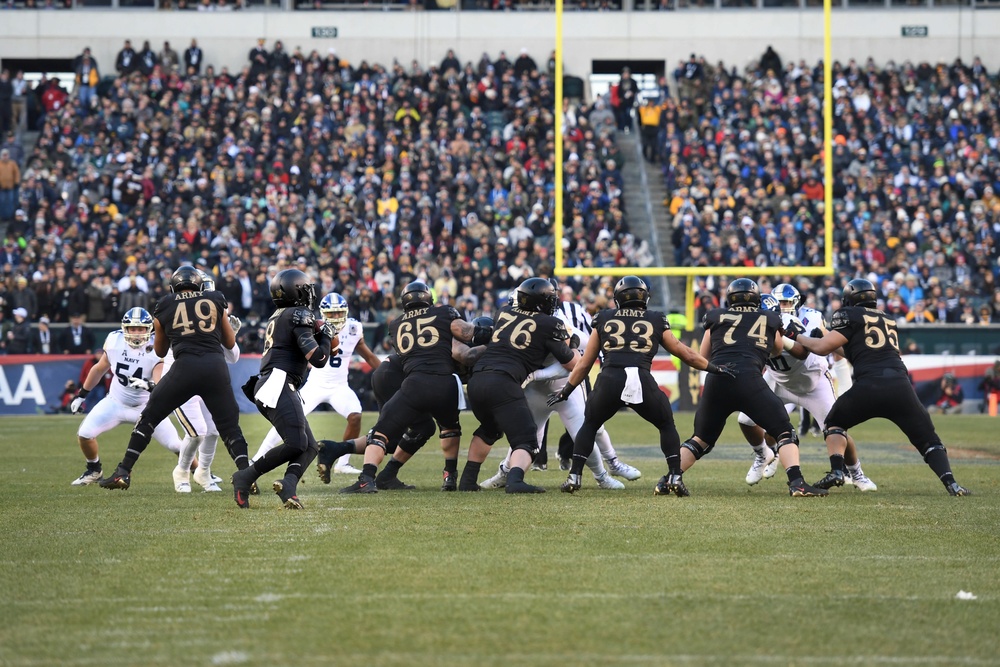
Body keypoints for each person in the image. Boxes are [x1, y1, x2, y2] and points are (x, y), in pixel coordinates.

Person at [551, 276, 732, 495]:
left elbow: (585, 364)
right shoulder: (655, 318)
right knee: (666, 424)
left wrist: (567, 390)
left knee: (590, 424)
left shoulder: (604, 317)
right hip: (642, 379)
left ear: (618, 298)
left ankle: (574, 476)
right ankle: (675, 476)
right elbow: (685, 353)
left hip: (610, 379)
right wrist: (714, 368)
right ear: (645, 297)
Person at [792, 279, 971, 496]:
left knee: (834, 422)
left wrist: (797, 336)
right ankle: (951, 483)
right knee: (928, 439)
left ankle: (837, 471)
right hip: (900, 386)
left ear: (849, 299)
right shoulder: (888, 319)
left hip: (870, 385)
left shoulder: (848, 315)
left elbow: (821, 348)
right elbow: (856, 352)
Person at [318, 281, 484, 494]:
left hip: (409, 380)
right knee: (417, 431)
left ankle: (362, 468)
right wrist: (494, 339)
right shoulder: (446, 317)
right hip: (408, 378)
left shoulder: (396, 324)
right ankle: (448, 475)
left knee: (413, 429)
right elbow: (464, 352)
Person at [99, 266, 251, 493]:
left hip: (184, 372)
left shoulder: (165, 304)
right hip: (207, 370)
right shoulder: (216, 301)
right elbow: (230, 350)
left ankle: (127, 470)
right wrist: (223, 329)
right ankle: (238, 476)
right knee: (218, 429)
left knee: (201, 428)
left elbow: (160, 350)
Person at [677, 278, 828, 497]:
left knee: (701, 439)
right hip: (749, 379)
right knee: (785, 432)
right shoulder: (769, 317)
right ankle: (797, 483)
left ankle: (670, 477)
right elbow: (776, 350)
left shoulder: (715, 317)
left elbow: (703, 356)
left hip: (717, 379)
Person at [739, 287, 876, 492]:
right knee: (746, 420)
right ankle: (765, 454)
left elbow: (828, 343)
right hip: (778, 380)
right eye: (779, 303)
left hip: (813, 382)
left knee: (837, 428)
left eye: (786, 303)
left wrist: (853, 359)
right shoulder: (760, 323)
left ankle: (856, 473)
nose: (783, 307)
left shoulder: (811, 318)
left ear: (796, 303)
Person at [457, 278, 580, 494]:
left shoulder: (503, 312)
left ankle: (467, 480)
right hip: (504, 382)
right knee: (527, 439)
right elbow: (572, 364)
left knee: (489, 429)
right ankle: (515, 481)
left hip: (478, 380)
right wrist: (575, 349)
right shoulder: (549, 324)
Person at [230, 269, 336, 509]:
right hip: (277, 382)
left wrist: (320, 336)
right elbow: (318, 359)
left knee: (309, 447)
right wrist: (327, 338)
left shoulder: (280, 315)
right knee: (297, 443)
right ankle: (245, 476)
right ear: (297, 291)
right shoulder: (298, 313)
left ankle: (288, 484)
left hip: (275, 383)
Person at [252, 292, 382, 475]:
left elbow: (368, 355)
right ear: (323, 313)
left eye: (339, 313)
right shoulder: (313, 326)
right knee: (285, 419)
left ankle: (343, 463)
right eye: (331, 314)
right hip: (315, 385)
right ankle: (257, 458)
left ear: (345, 312)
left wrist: (386, 374)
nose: (336, 317)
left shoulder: (354, 328)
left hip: (339, 386)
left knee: (355, 416)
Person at [68, 308, 183, 486]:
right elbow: (99, 368)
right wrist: (81, 395)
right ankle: (94, 470)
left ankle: (201, 472)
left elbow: (162, 386)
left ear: (149, 329)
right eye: (132, 329)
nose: (137, 333)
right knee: (84, 434)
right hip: (115, 402)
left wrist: (149, 386)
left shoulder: (157, 347)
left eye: (141, 329)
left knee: (176, 445)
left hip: (145, 407)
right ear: (125, 329)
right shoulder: (115, 341)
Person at [164, 270, 238, 493]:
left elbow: (233, 357)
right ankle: (182, 471)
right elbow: (160, 353)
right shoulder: (174, 314)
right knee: (196, 432)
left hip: (207, 379)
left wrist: (229, 337)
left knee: (214, 430)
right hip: (180, 379)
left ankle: (203, 472)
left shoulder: (214, 313)